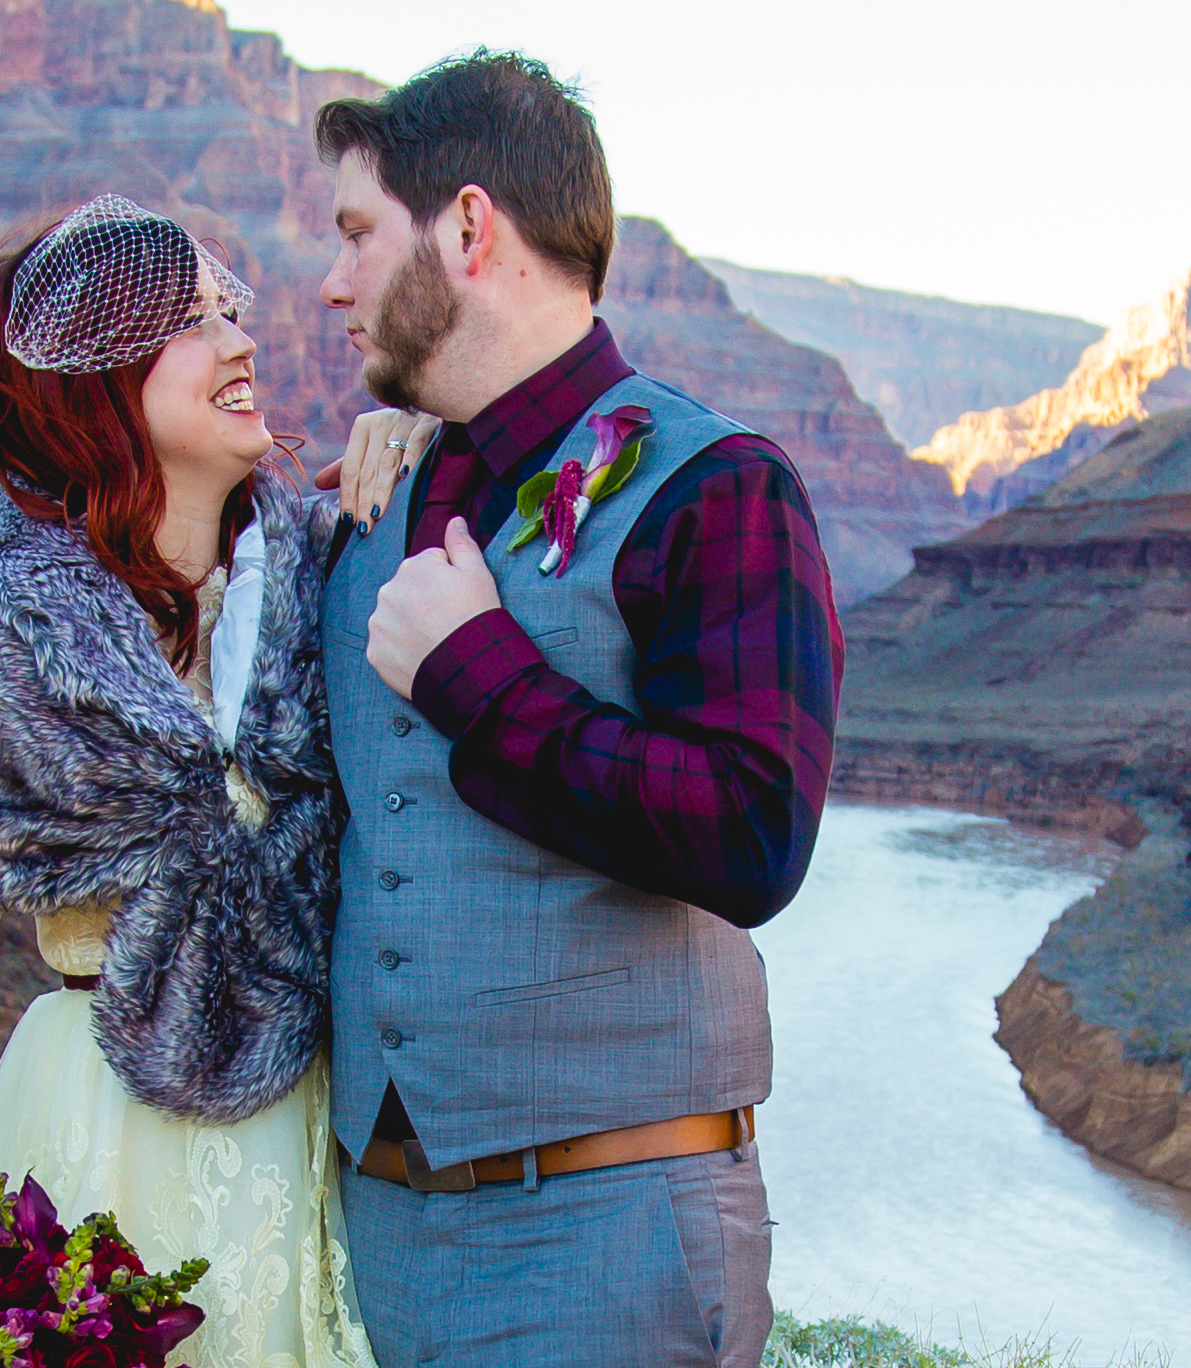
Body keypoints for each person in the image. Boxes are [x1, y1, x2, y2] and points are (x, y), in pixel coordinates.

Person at [303, 51, 842, 1368]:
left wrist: (481, 674)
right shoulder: (375, 498)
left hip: (610, 1246)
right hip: (384, 1247)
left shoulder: (716, 488)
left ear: (470, 227)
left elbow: (753, 833)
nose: (334, 282)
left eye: (360, 234)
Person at [0, 196, 380, 1367]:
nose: (243, 343)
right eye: (195, 324)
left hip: (322, 1142)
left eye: (229, 309)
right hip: (96, 1139)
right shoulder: (6, 635)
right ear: (99, 383)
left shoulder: (329, 568)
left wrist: (419, 441)